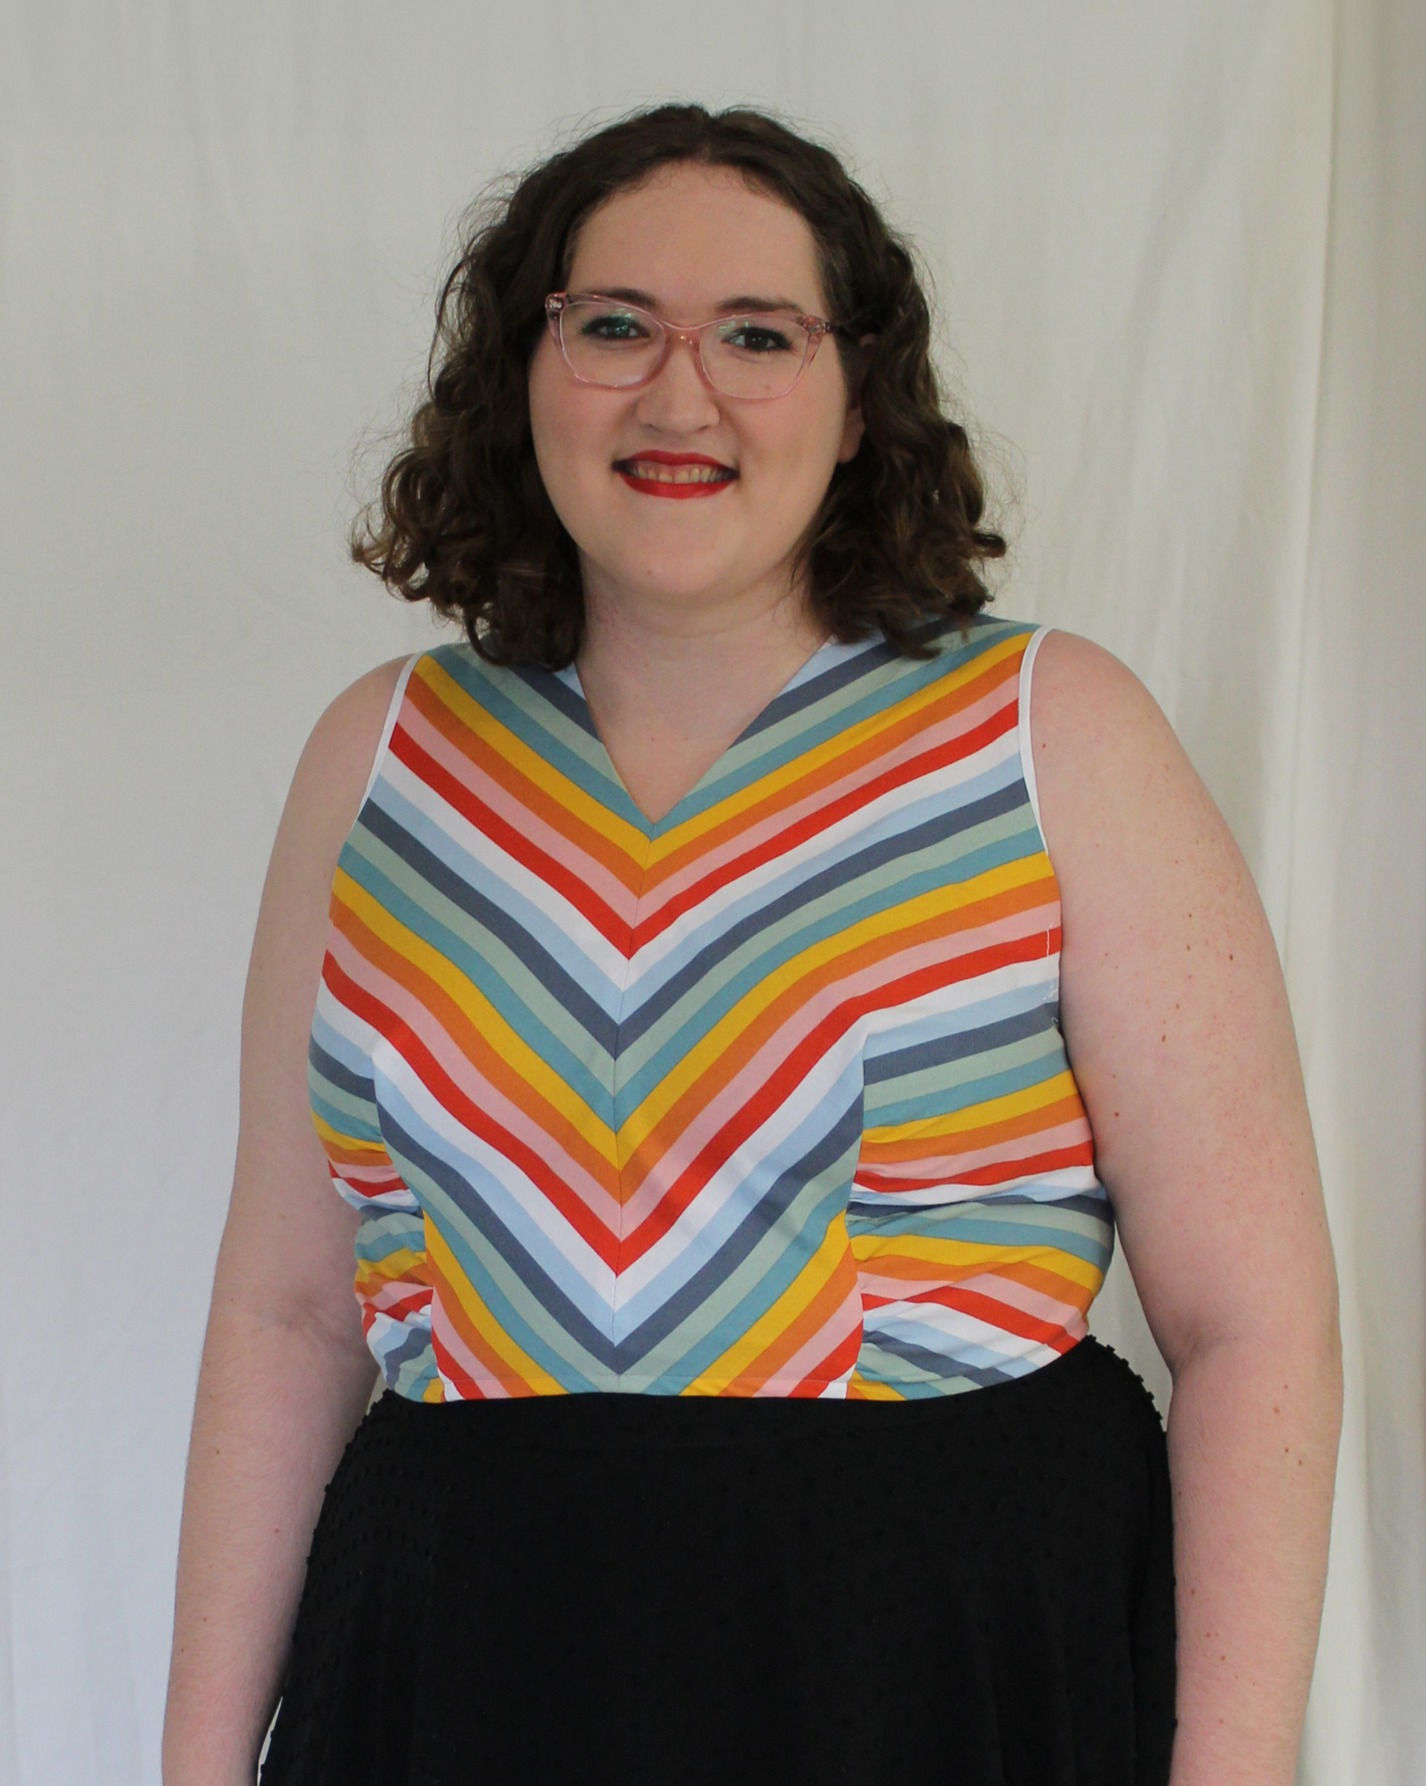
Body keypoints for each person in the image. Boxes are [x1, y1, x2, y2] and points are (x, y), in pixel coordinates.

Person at [162, 104, 1341, 1786]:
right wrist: (196, 1764)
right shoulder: (381, 759)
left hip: (932, 1664)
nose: (678, 396)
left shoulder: (1054, 735)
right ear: (523, 372)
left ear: (860, 401)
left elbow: (1249, 1320)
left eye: (757, 336)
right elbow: (287, 1314)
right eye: (612, 325)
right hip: (470, 1658)